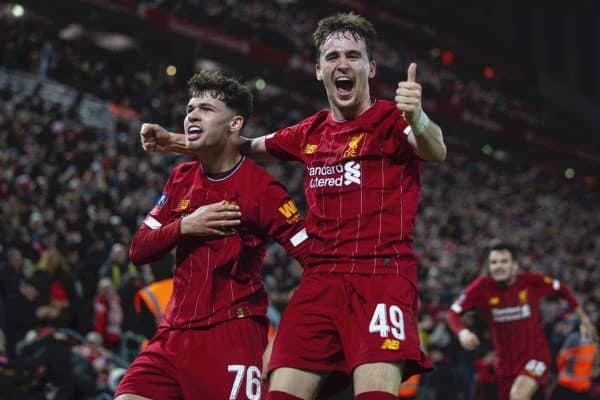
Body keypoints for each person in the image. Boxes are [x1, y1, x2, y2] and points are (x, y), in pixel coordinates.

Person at [140, 11, 447, 400]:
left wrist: (418, 117)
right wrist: (176, 141)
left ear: (370, 67)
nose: (342, 64)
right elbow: (243, 146)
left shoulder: (391, 120)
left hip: (380, 276)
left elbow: (435, 149)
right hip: (318, 281)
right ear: (319, 71)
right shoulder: (309, 133)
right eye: (332, 57)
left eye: (353, 56)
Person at [115, 70, 310, 400]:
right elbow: (137, 249)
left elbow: (312, 257)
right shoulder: (180, 178)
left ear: (234, 124)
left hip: (231, 337)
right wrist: (184, 226)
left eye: (206, 109)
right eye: (190, 108)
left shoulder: (263, 189)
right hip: (171, 335)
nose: (192, 114)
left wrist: (295, 336)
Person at [446, 243, 597, 400]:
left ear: (514, 266)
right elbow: (452, 313)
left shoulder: (530, 282)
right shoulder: (482, 287)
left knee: (518, 395)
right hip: (506, 365)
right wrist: (462, 332)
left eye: (504, 261)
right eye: (494, 262)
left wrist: (584, 320)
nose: (498, 267)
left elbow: (562, 289)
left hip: (536, 357)